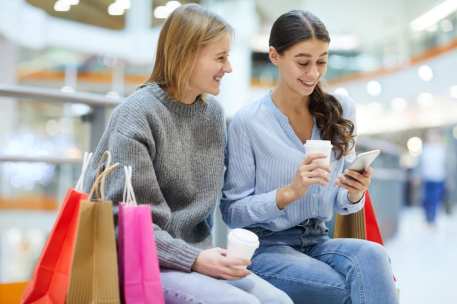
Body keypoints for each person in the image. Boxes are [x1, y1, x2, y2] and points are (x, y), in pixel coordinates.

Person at [84, 4, 292, 304]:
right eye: (220, 58)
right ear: (186, 56)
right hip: (141, 264)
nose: (229, 68)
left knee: (279, 301)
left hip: (196, 258)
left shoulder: (212, 115)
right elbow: (123, 225)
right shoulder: (136, 116)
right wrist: (194, 259)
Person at [221, 10, 397, 304]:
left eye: (322, 61)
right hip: (266, 247)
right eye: (303, 62)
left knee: (374, 256)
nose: (313, 73)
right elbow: (232, 212)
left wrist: (354, 192)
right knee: (347, 288)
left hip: (318, 239)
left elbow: (343, 205)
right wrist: (289, 193)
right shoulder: (248, 123)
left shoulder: (339, 109)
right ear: (275, 56)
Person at [419, 129, 447, 225]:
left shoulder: (443, 149)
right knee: (426, 199)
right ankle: (427, 216)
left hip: (439, 178)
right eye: (431, 136)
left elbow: (447, 165)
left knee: (435, 198)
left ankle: (432, 219)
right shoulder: (425, 149)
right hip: (426, 178)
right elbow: (419, 164)